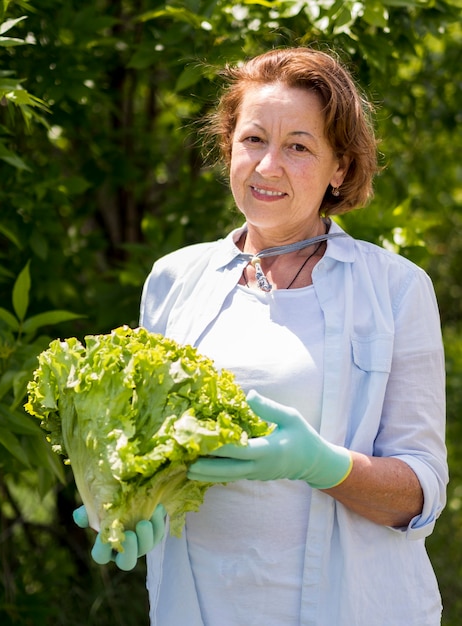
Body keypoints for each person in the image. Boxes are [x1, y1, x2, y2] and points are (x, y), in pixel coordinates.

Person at [75, 47, 448, 625]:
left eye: (298, 146)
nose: (268, 165)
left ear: (340, 169)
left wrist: (320, 464)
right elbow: (141, 446)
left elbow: (420, 493)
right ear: (229, 147)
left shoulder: (395, 289)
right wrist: (126, 504)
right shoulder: (174, 279)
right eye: (253, 140)